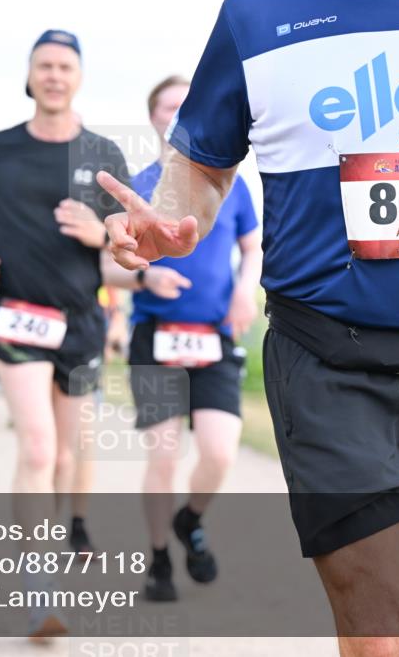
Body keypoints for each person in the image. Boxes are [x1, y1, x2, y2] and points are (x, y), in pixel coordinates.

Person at [100, 0, 399, 654]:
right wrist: (168, 220)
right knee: (380, 642)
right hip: (330, 368)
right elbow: (203, 169)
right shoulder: (256, 14)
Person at [0, 29, 130, 640]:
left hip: (81, 320)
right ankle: (39, 595)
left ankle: (48, 553)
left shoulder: (104, 153)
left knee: (65, 454)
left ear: (78, 76)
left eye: (64, 65)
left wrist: (100, 234)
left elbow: (132, 246)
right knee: (35, 448)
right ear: (30, 77)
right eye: (44, 66)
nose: (54, 75)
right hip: (18, 318)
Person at [101, 75, 262, 602]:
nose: (176, 114)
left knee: (219, 452)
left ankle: (189, 521)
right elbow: (108, 267)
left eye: (184, 106)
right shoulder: (139, 185)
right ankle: (158, 560)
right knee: (164, 457)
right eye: (167, 107)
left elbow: (252, 248)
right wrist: (145, 275)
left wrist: (245, 291)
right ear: (153, 117)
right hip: (158, 335)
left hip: (214, 336)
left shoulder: (232, 184)